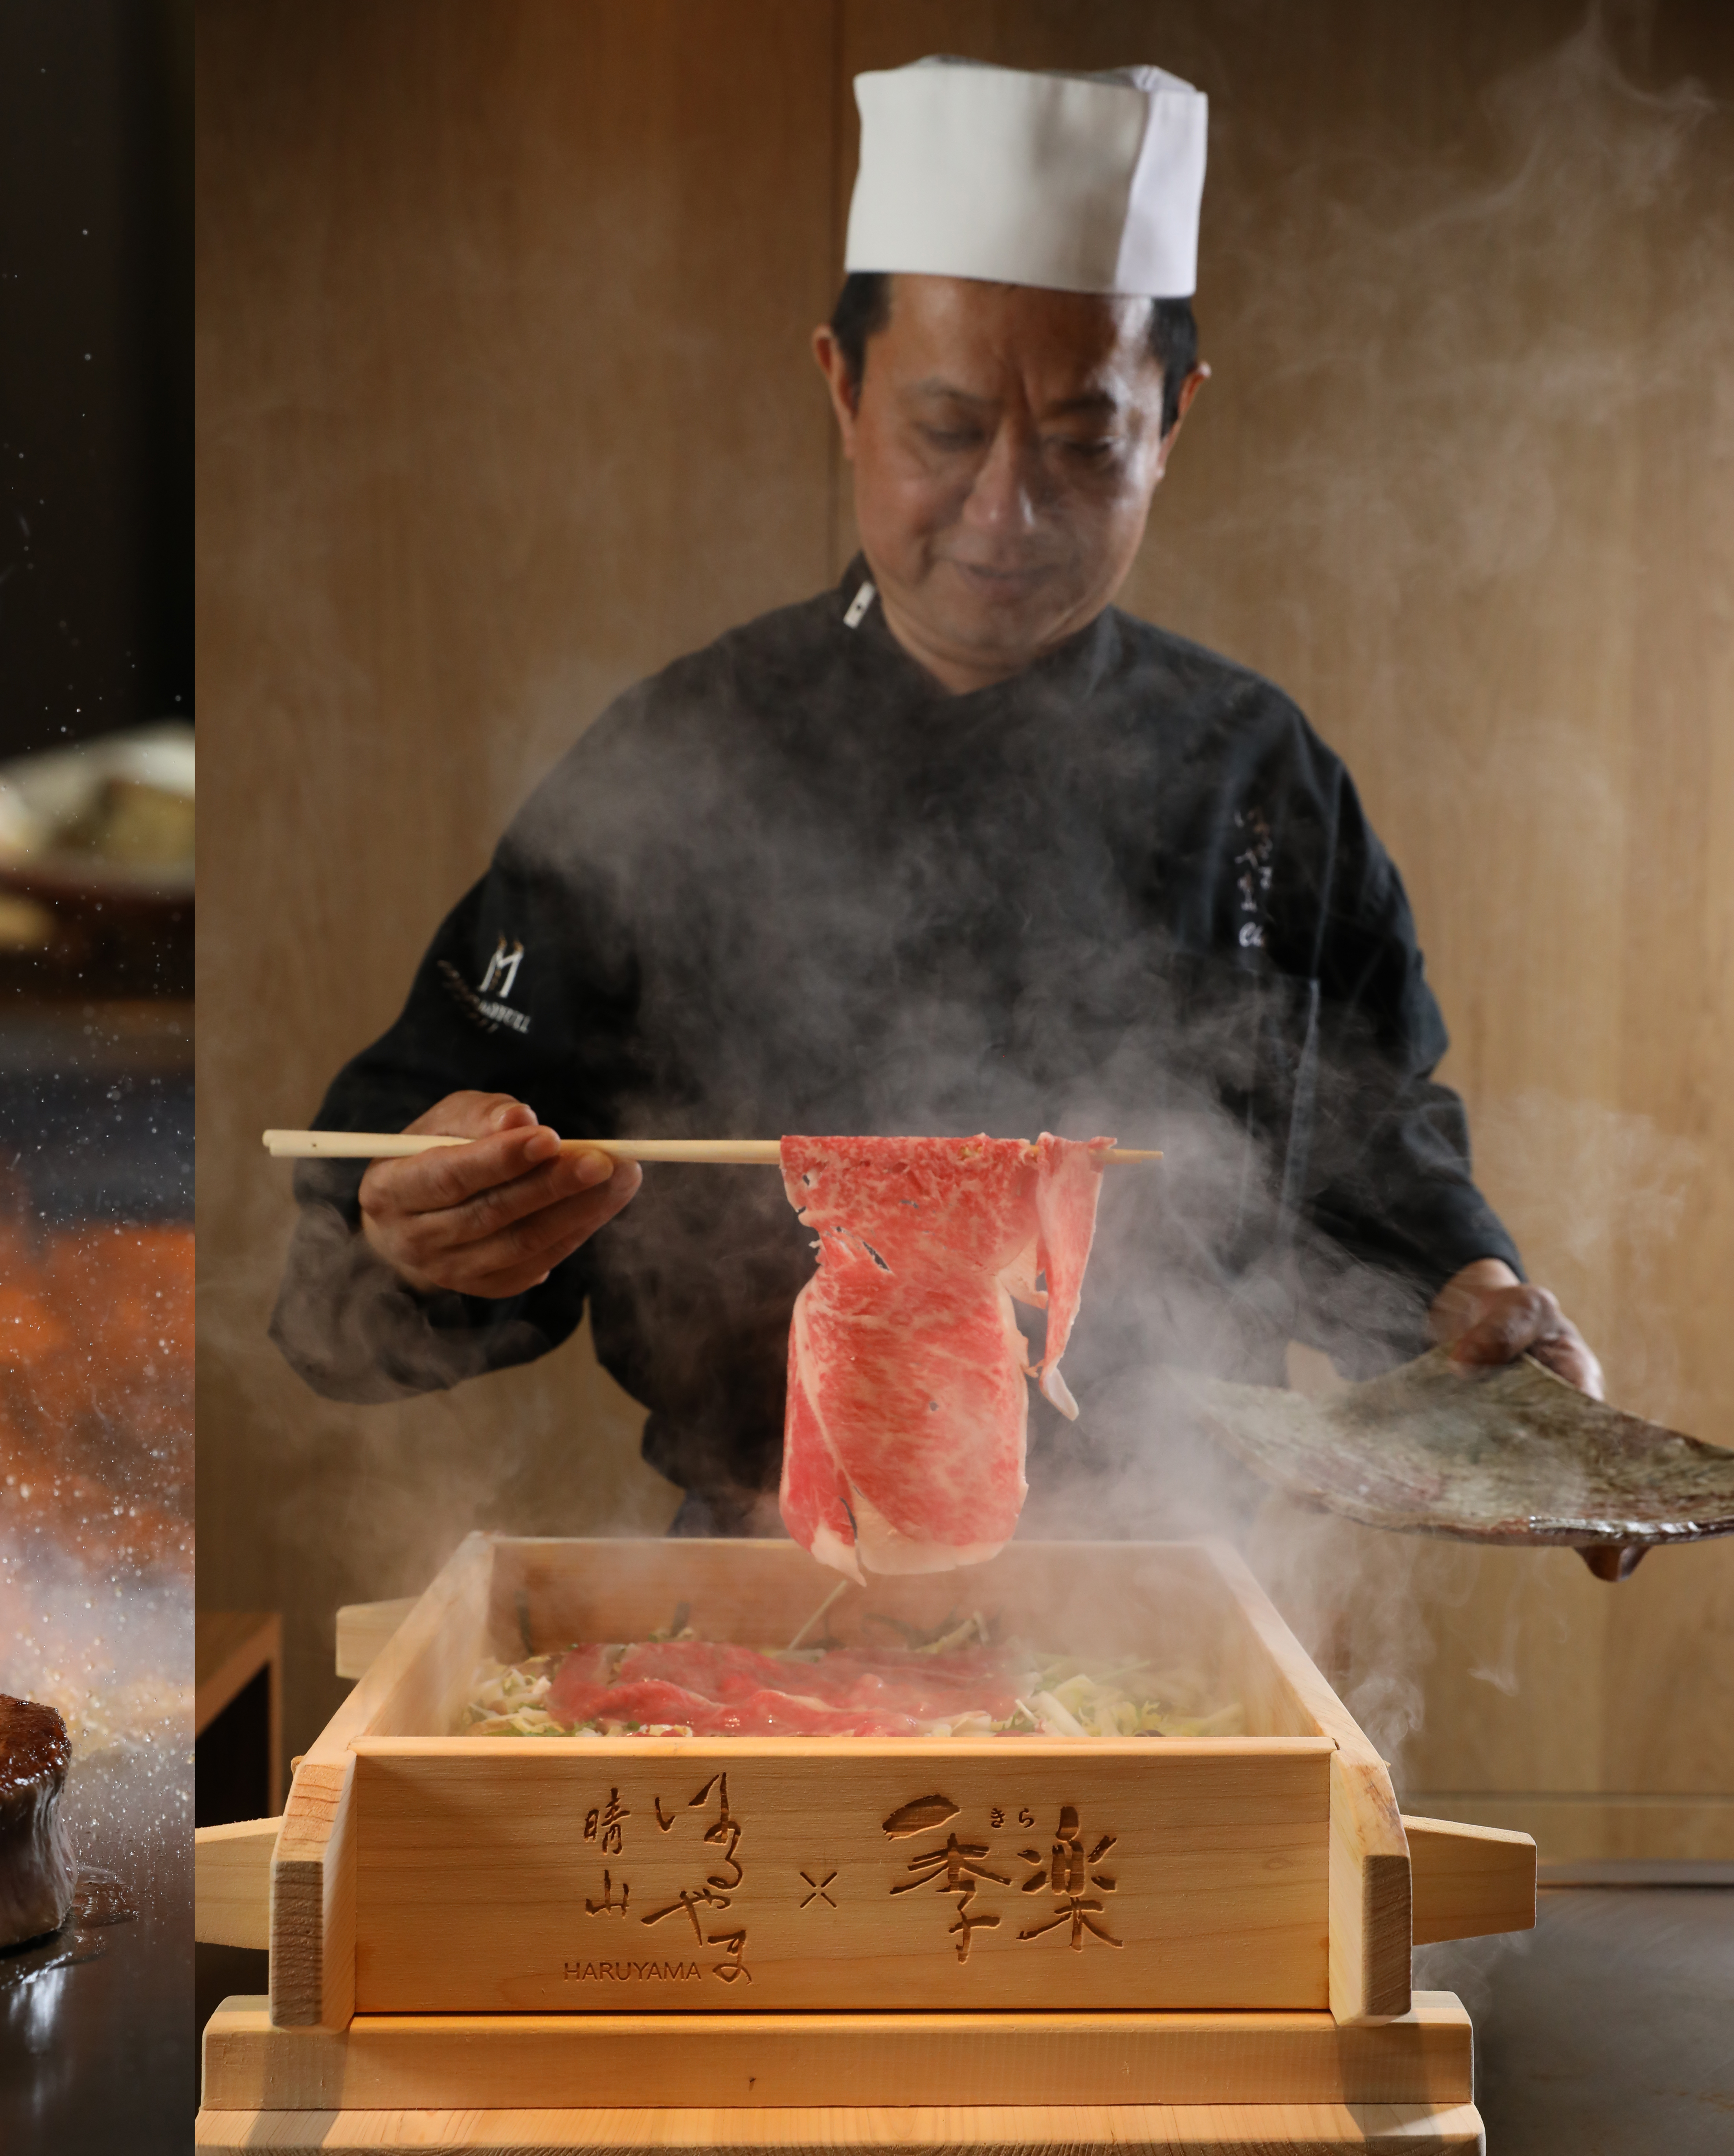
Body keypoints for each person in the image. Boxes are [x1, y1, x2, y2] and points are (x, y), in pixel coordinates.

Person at [271, 56, 1597, 1540]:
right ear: (841, 391)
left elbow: (1367, 1140)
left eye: (1086, 443)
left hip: (1169, 1568)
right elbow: (371, 1208)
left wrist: (1470, 1297)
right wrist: (414, 1229)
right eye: (948, 431)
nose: (1004, 514)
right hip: (773, 1583)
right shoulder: (676, 757)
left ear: (1173, 420)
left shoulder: (1252, 772)